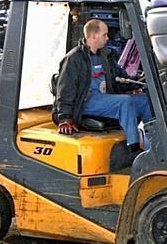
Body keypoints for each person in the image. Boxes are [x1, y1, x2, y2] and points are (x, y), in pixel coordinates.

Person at [53, 18, 152, 149]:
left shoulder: (105, 56)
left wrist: (135, 84)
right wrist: (64, 118)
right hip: (85, 102)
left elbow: (118, 77)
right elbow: (65, 89)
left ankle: (154, 143)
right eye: (104, 34)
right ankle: (133, 147)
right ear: (93, 35)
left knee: (144, 100)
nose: (107, 38)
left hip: (104, 98)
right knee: (125, 102)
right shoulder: (74, 58)